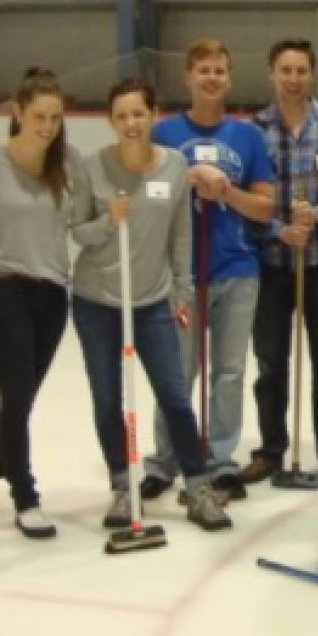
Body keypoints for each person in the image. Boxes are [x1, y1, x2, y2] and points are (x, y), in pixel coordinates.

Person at [69, 79, 230, 532]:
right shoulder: (92, 167)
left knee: (175, 397)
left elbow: (182, 236)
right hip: (97, 301)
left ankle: (198, 487)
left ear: (151, 114)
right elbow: (76, 231)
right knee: (107, 398)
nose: (131, 124)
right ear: (110, 122)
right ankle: (123, 485)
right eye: (121, 116)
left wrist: (181, 292)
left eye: (138, 114)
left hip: (153, 300)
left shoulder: (175, 166)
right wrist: (106, 222)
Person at [144, 38, 275, 501]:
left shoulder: (248, 136)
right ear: (188, 76)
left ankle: (220, 461)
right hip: (180, 274)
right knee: (176, 372)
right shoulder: (162, 134)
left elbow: (265, 208)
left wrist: (226, 194)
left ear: (230, 77)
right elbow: (146, 197)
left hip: (236, 271)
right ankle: (166, 459)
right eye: (204, 70)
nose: (212, 78)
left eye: (220, 70)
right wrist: (187, 180)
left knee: (229, 372)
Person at [0, 69, 77, 539]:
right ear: (18, 113)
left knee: (22, 398)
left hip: (52, 293)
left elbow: (87, 219)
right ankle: (25, 496)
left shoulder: (66, 163)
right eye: (38, 117)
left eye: (54, 118)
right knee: (14, 393)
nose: (47, 127)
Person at [240, 39, 318, 483]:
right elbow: (246, 199)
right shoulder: (252, 130)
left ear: (312, 73)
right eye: (285, 70)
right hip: (270, 263)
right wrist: (276, 230)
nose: (293, 78)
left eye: (301, 70)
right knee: (270, 360)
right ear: (271, 73)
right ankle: (270, 449)